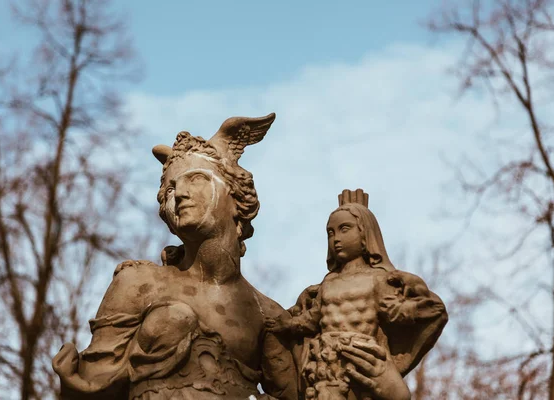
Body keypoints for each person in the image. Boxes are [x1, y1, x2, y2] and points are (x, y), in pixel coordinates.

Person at [52, 113, 298, 399]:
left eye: (195, 179)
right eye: (170, 187)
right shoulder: (139, 283)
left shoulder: (265, 314)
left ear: (236, 197)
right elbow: (93, 387)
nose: (179, 193)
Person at [265, 193, 447, 400]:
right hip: (325, 360)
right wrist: (287, 325)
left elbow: (425, 310)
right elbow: (313, 319)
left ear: (365, 234)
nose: (336, 239)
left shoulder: (379, 279)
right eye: (330, 233)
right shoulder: (328, 283)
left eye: (344, 229)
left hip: (363, 358)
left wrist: (409, 300)